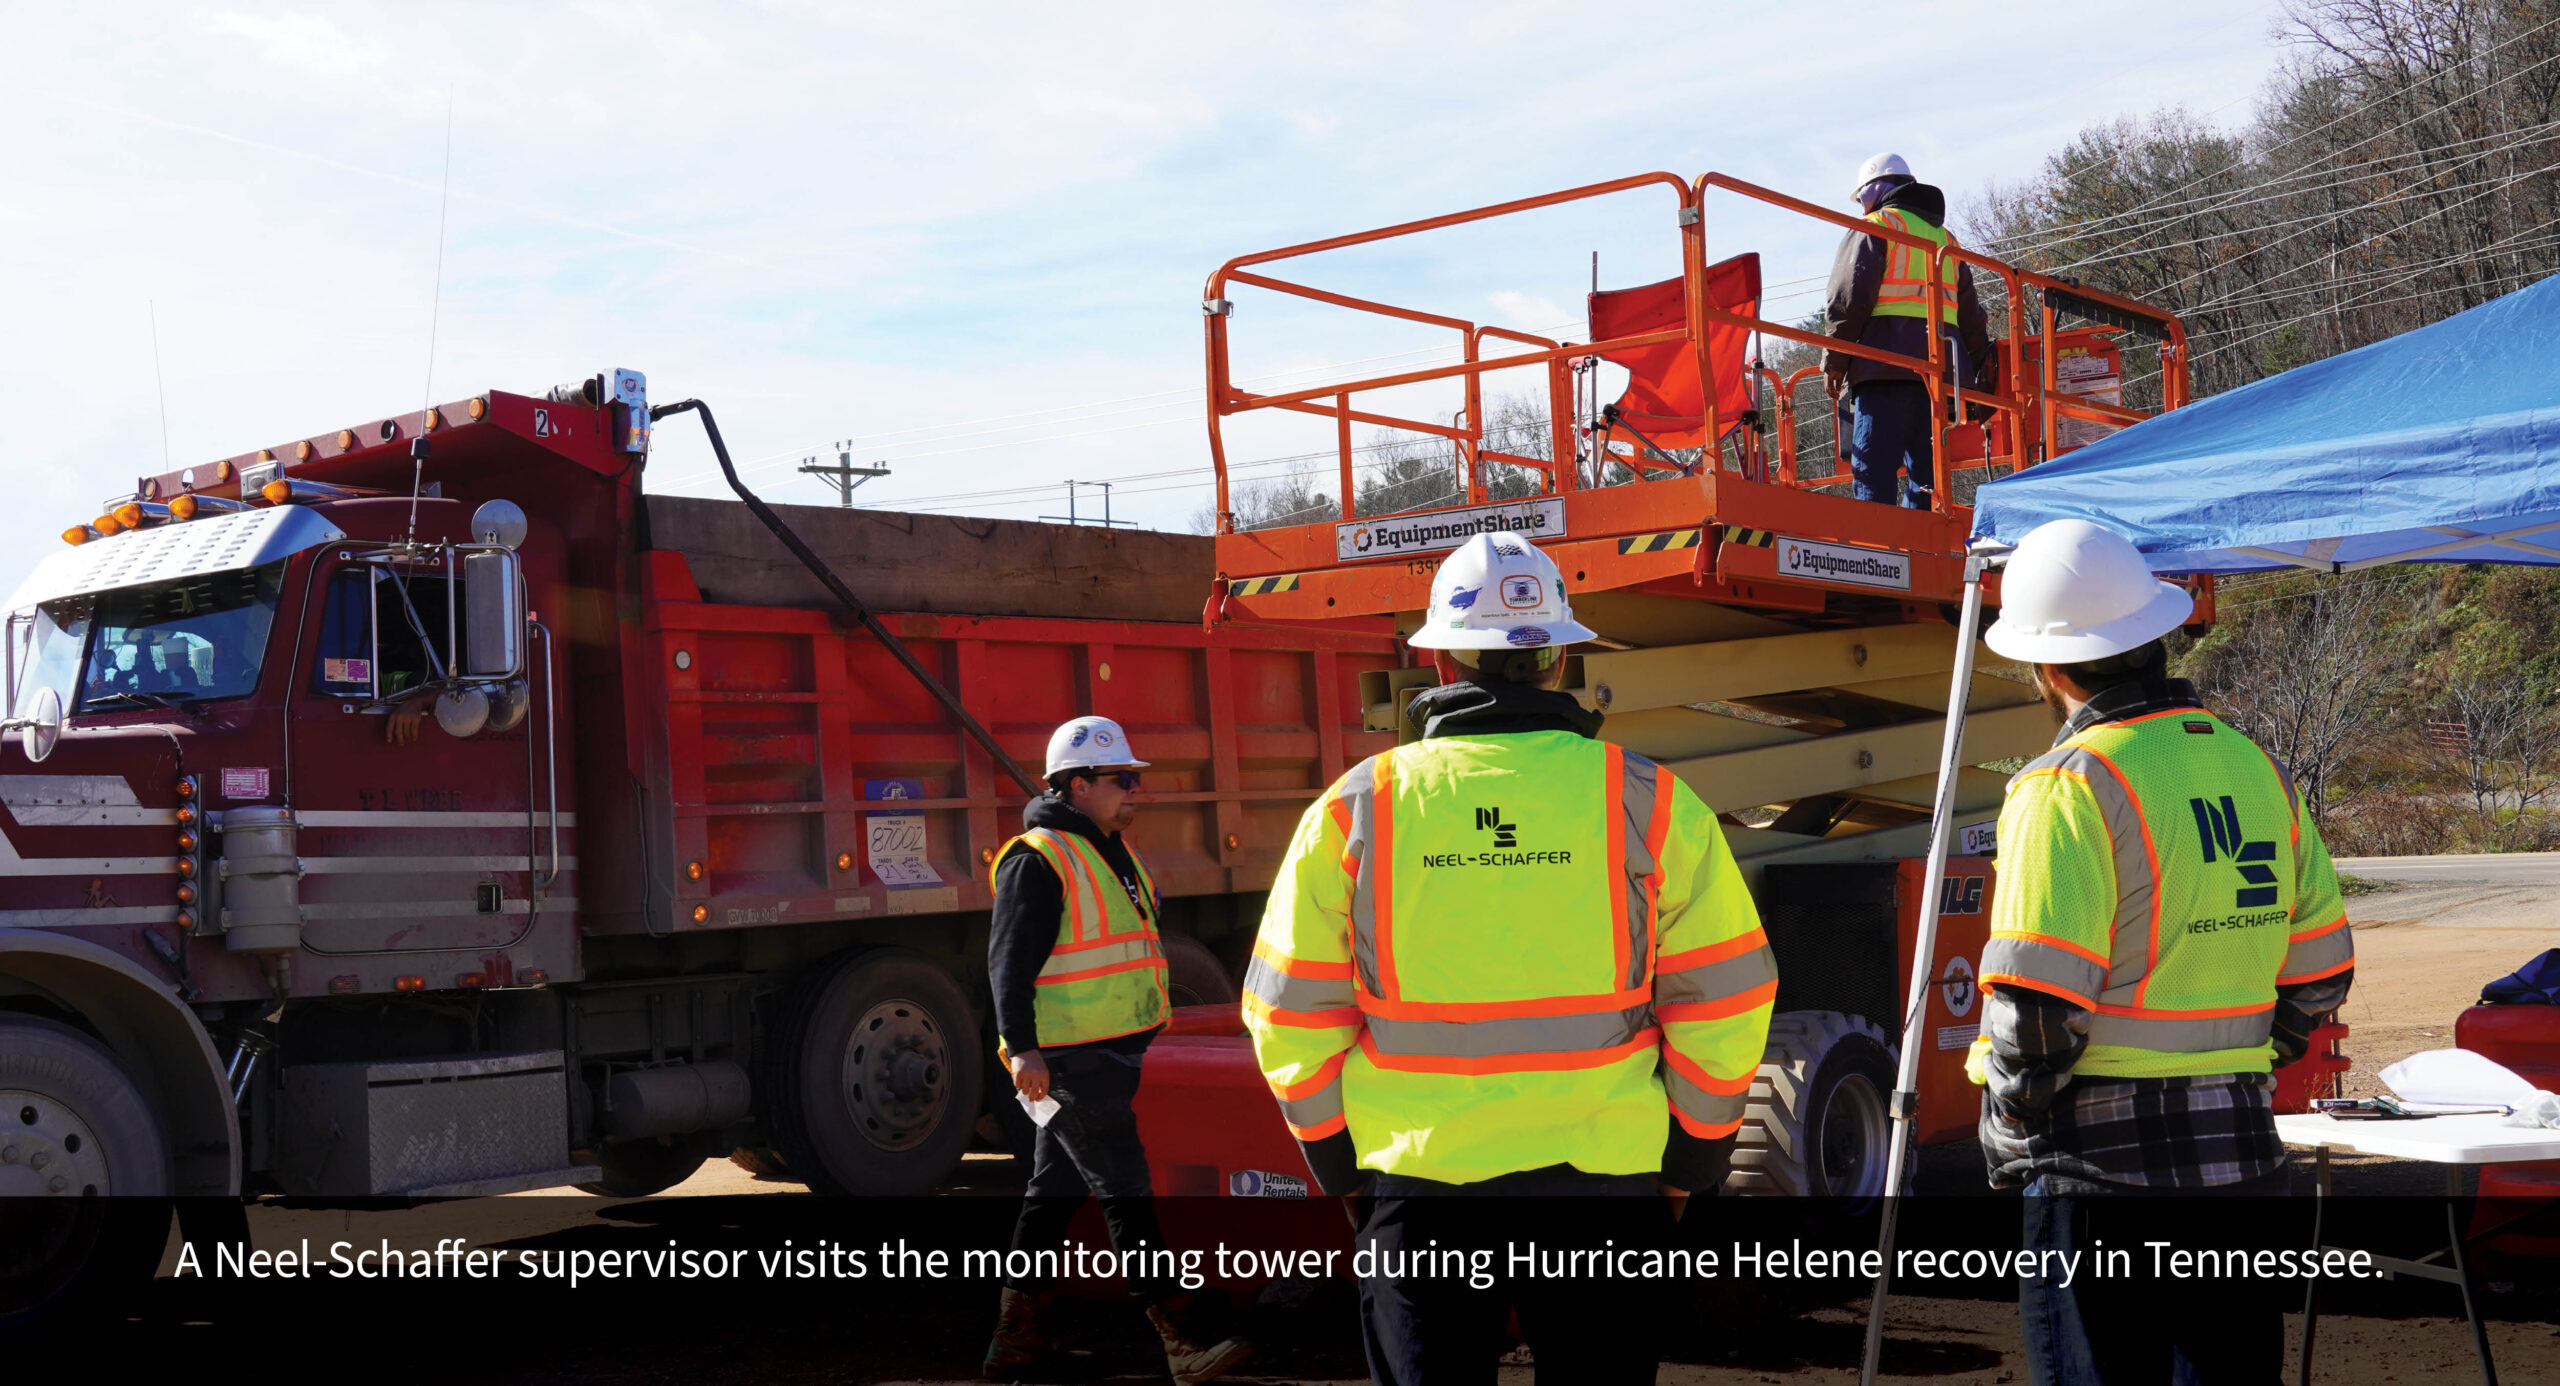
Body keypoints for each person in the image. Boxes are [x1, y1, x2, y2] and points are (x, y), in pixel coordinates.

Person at [1244, 532, 1777, 1386]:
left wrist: (1338, 1162)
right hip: (1604, 1184)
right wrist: (1693, 1161)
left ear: (1445, 659)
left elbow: (1287, 1008)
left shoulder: (1358, 810)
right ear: (1561, 656)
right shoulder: (1649, 800)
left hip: (1420, 1184)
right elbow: (1726, 997)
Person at [1968, 519, 2354, 1384]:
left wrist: (2006, 1127)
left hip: (2099, 1179)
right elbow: (2322, 976)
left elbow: (2036, 1016)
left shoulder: (2066, 786)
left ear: (2047, 668)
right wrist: (2242, 1060)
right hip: (2245, 1167)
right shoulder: (2260, 770)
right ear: (2153, 636)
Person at [982, 715, 1251, 1386]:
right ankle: (1179, 1335)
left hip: (1110, 1058)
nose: (1136, 790)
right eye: (1122, 779)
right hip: (1070, 1065)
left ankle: (1015, 1341)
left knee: (1052, 1193)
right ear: (1077, 785)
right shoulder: (1037, 859)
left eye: (1135, 778)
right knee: (1125, 1190)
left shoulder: (1113, 850)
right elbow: (1006, 967)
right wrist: (1022, 1052)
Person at [1823, 151, 1994, 509]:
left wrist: (1835, 361)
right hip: (1939, 378)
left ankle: (1881, 553)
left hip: (1883, 368)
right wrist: (1981, 371)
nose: (1861, 207)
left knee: (1873, 471)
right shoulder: (1948, 240)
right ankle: (1923, 554)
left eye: (1861, 197)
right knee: (1928, 481)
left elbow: (1848, 299)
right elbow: (1970, 316)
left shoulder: (1878, 226)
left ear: (1877, 187)